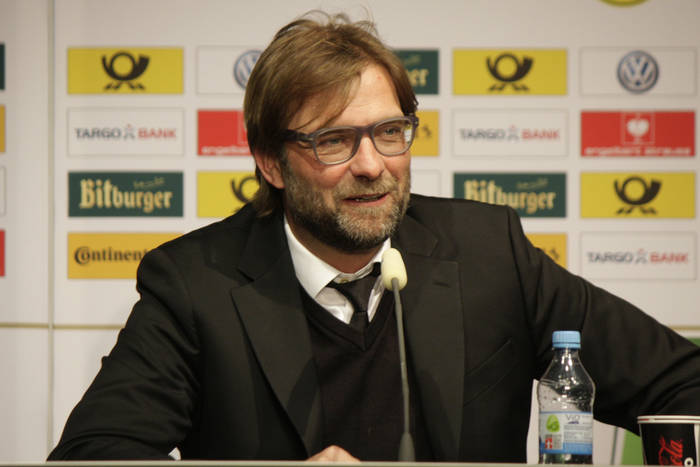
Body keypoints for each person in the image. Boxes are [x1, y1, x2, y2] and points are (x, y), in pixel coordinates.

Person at [49, 11, 700, 462]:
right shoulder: (196, 285)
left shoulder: (488, 253)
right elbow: (93, 454)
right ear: (271, 162)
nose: (372, 165)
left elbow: (680, 383)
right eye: (333, 140)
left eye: (390, 132)